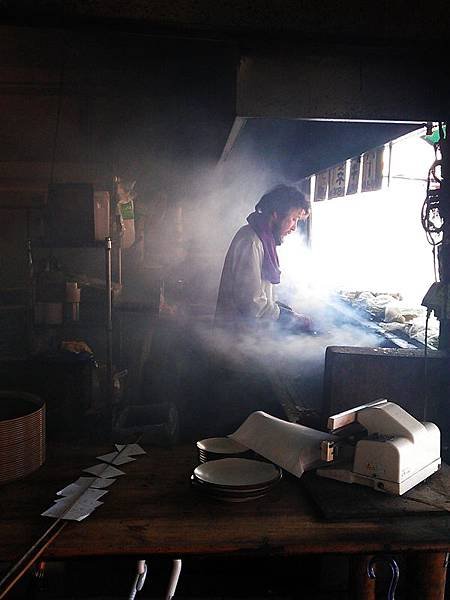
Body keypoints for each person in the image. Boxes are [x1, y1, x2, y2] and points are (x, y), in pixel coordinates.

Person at [215, 184, 311, 335]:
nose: (294, 227)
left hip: (247, 335)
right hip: (236, 338)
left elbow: (263, 296)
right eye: (293, 219)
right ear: (276, 215)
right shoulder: (251, 241)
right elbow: (252, 304)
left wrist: (286, 310)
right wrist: (290, 317)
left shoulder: (264, 239)